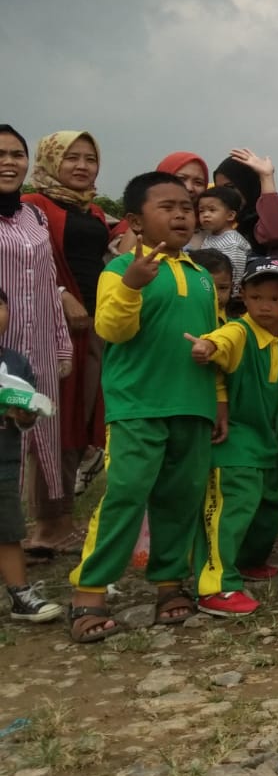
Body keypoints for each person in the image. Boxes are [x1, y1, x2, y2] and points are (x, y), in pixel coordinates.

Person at [68, 170, 220, 643]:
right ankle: (89, 591)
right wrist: (132, 285)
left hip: (193, 405)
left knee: (181, 497)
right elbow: (112, 330)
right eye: (167, 207)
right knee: (126, 493)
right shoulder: (119, 270)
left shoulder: (201, 276)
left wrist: (218, 400)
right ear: (135, 221)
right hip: (137, 406)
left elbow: (214, 340)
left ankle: (169, 584)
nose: (181, 216)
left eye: (186, 208)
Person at [188, 256, 278, 616]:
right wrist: (206, 347)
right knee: (232, 506)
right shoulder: (239, 332)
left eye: (277, 298)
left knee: (268, 504)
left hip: (267, 436)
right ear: (243, 296)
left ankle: (246, 561)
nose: (265, 305)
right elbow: (219, 341)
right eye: (257, 296)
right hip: (233, 436)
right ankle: (215, 585)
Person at [20, 130, 106, 541]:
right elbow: (27, 261)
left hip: (92, 325)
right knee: (50, 420)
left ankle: (63, 518)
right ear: (51, 160)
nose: (82, 166)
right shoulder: (33, 205)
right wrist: (60, 295)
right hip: (52, 324)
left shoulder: (93, 211)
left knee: (78, 420)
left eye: (90, 158)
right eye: (71, 157)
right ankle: (44, 524)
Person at [0, 293, 64, 622]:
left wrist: (26, 414)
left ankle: (20, 594)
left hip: (3, 463)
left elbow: (26, 417)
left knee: (9, 530)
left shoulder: (16, 363)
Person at [194, 185, 252, 286]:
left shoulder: (233, 243)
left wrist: (230, 292)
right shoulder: (210, 236)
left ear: (230, 215)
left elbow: (236, 275)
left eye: (212, 210)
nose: (205, 215)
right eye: (201, 211)